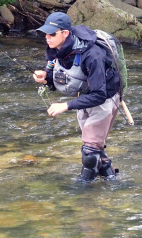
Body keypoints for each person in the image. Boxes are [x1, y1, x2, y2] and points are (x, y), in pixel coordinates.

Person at [32, 12, 122, 181]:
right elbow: (58, 79)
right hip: (84, 99)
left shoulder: (92, 55)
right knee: (95, 149)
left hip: (104, 100)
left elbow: (99, 95)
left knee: (90, 151)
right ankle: (113, 183)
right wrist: (45, 77)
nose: (47, 38)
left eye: (52, 34)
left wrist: (66, 105)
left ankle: (82, 190)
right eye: (45, 34)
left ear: (65, 33)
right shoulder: (55, 50)